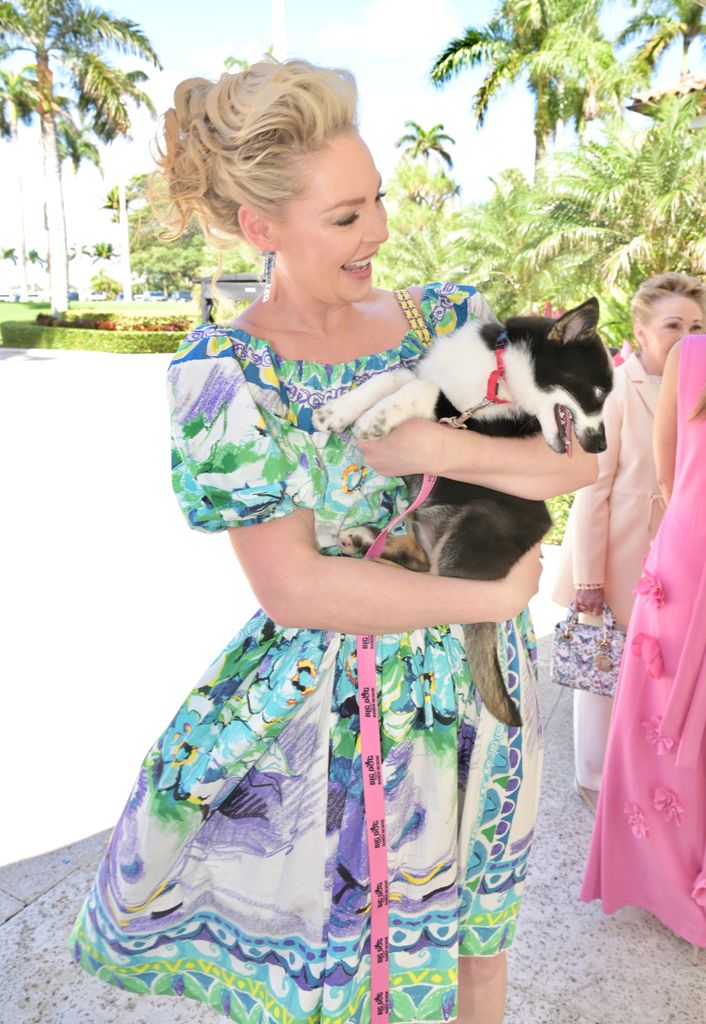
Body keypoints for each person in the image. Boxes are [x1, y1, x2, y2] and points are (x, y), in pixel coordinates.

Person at [69, 59, 597, 1024]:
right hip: (341, 713)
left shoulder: (443, 317)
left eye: (379, 201)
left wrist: (433, 441)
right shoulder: (228, 375)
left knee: (481, 944)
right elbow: (297, 589)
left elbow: (576, 464)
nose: (382, 232)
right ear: (262, 228)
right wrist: (485, 599)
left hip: (483, 693)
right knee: (347, 983)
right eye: (347, 217)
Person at [552, 273, 705, 810]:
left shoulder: (699, 389)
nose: (686, 337)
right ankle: (591, 779)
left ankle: (640, 772)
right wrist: (589, 580)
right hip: (618, 556)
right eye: (673, 326)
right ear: (641, 332)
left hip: (679, 561)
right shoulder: (614, 390)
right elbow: (594, 489)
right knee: (600, 670)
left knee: (650, 670)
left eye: (696, 326)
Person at [580, 332, 706, 948]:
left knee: (658, 722)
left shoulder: (690, 357)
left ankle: (667, 879)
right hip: (683, 570)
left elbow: (669, 474)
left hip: (685, 551)